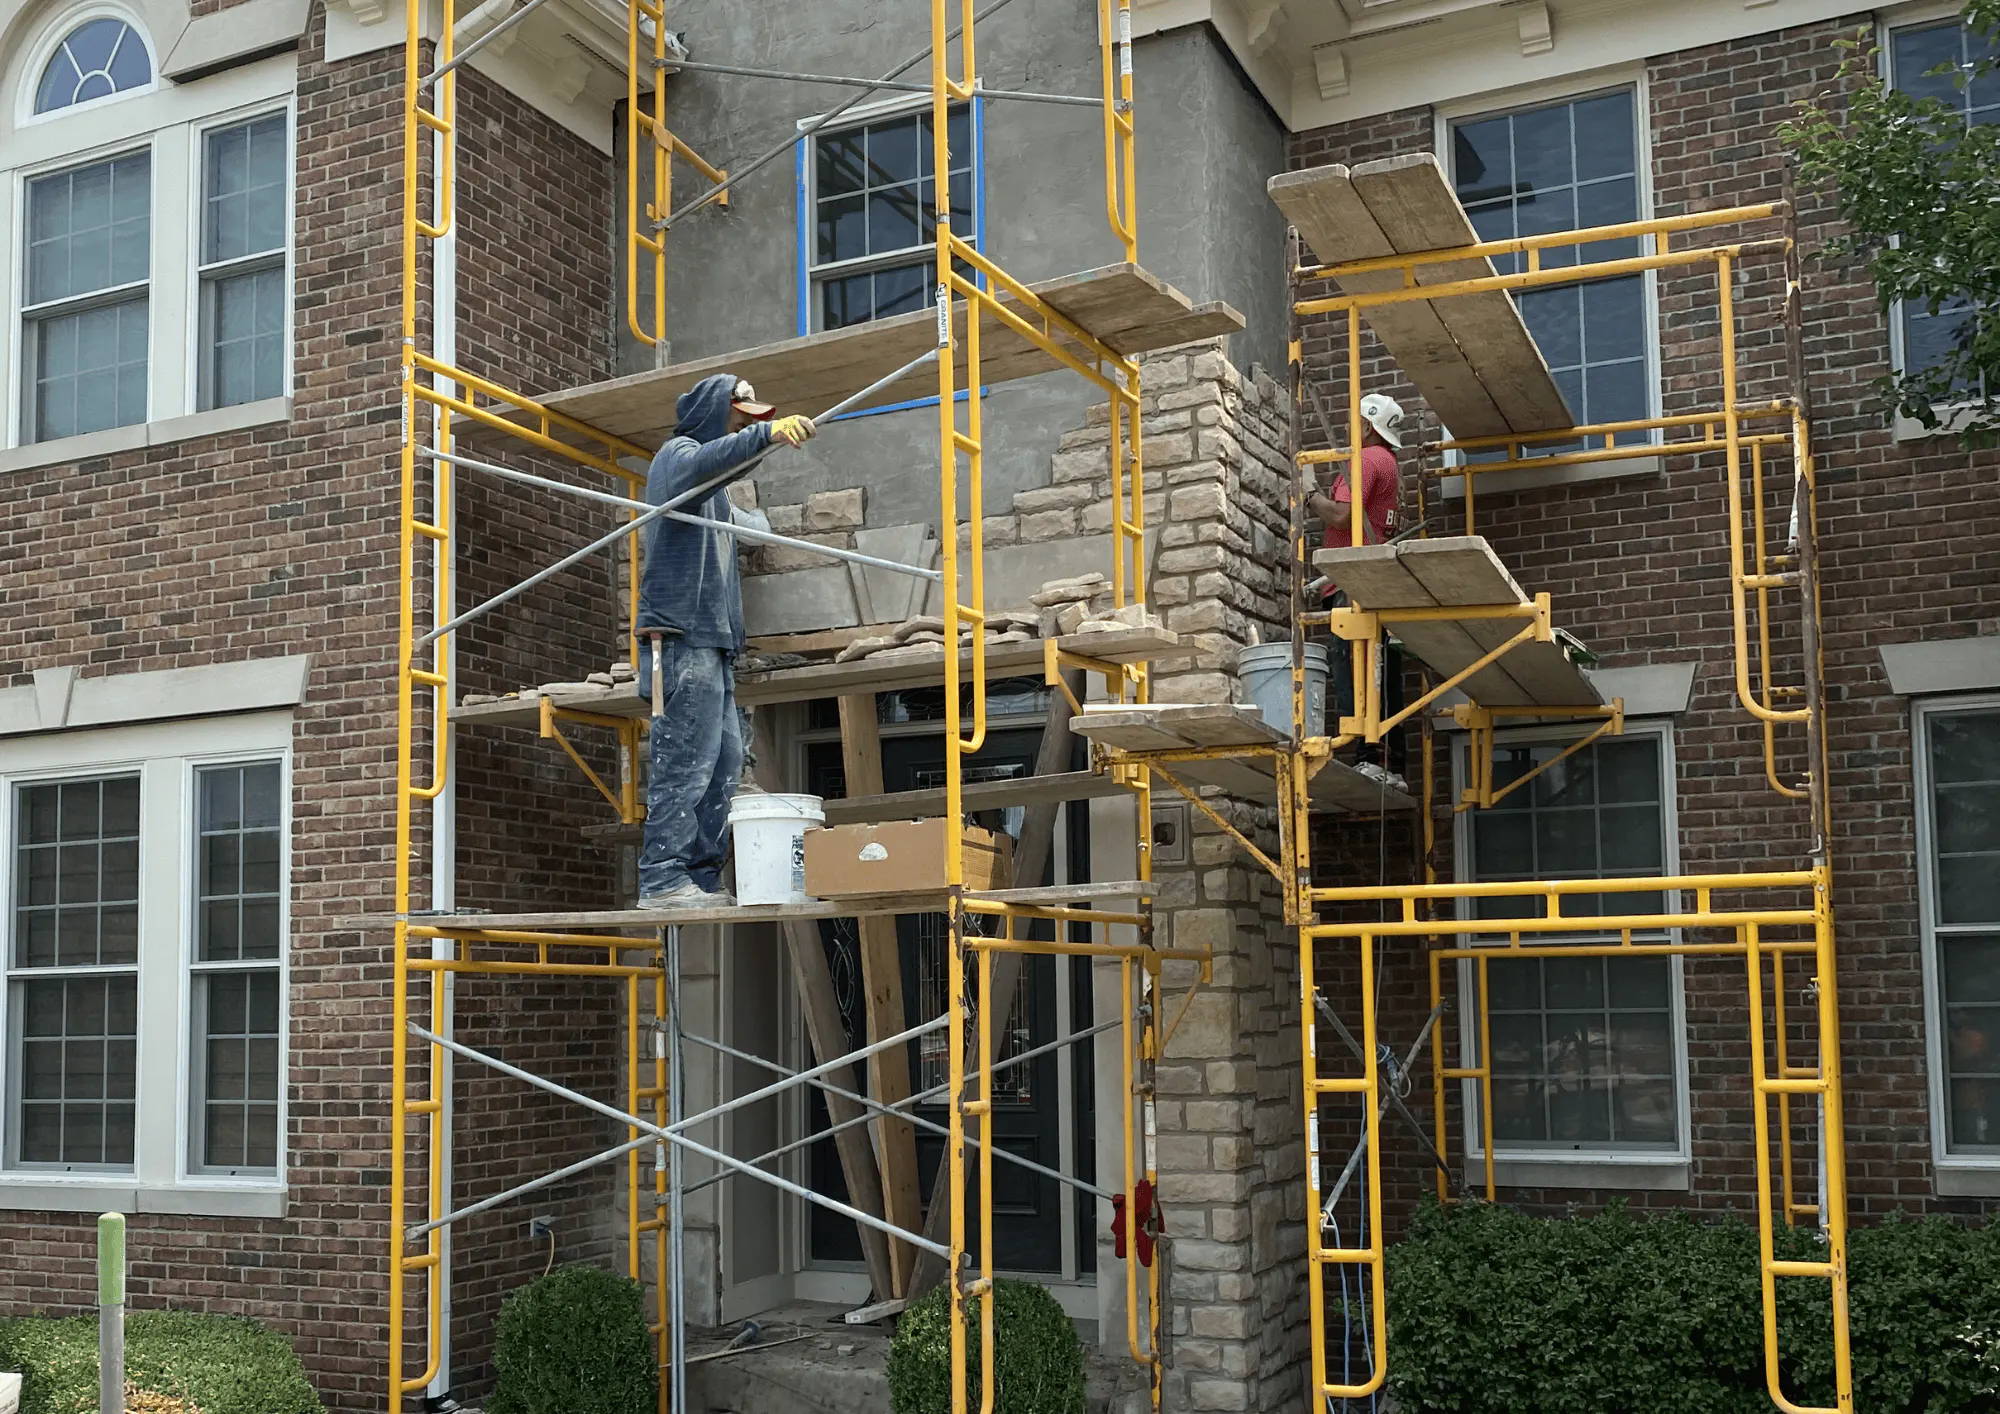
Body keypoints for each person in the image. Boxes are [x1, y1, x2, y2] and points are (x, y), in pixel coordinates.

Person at [637, 374, 816, 909]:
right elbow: (703, 466)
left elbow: (743, 516)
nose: (745, 423)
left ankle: (699, 875)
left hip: (714, 643)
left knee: (724, 764)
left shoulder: (714, 498)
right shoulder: (677, 456)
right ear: (714, 412)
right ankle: (661, 879)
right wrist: (765, 438)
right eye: (740, 416)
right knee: (685, 762)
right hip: (680, 637)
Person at [1308, 392, 1407, 789]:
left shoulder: (1367, 460)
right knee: (1380, 671)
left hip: (1354, 580)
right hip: (1370, 580)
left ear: (1367, 425)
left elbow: (1343, 515)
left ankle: (1369, 756)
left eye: (1355, 422)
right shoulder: (1389, 463)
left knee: (1355, 669)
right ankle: (1389, 762)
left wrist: (1309, 496)